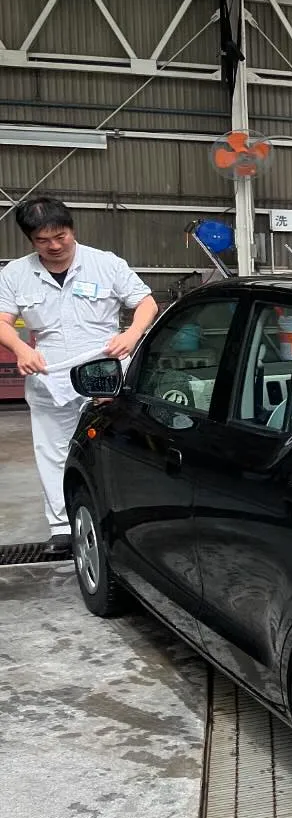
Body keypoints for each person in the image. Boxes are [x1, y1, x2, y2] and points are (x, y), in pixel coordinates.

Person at [0, 196, 158, 554]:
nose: (55, 245)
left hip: (103, 370)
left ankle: (117, 518)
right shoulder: (15, 274)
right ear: (30, 240)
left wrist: (132, 335)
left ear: (72, 229)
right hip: (49, 374)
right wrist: (21, 349)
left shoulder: (105, 264)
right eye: (44, 240)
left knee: (113, 446)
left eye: (61, 235)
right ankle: (62, 527)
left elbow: (145, 302)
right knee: (54, 452)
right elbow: (2, 320)